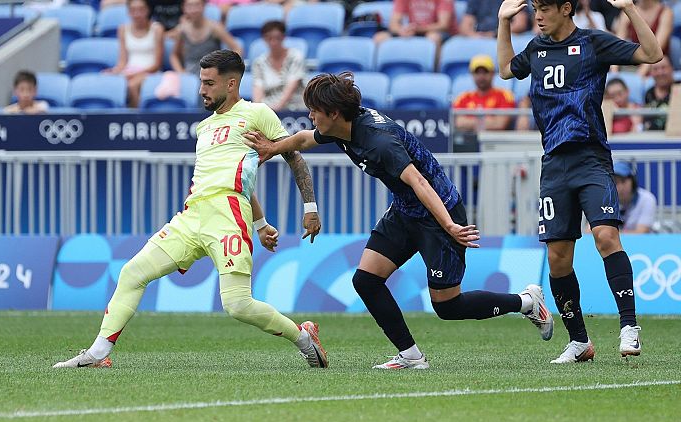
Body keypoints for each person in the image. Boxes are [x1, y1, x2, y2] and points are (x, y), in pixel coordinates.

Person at [244, 72, 554, 370]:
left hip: (438, 214)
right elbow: (302, 139)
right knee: (365, 279)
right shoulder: (339, 126)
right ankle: (411, 356)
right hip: (406, 211)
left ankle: (526, 302)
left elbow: (420, 182)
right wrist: (272, 148)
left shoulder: (380, 143)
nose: (311, 116)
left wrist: (449, 227)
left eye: (314, 111)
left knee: (447, 306)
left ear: (335, 112)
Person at [53, 50, 327, 369]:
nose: (202, 90)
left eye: (209, 83)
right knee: (132, 272)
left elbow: (293, 156)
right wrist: (262, 223)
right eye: (201, 82)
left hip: (228, 215)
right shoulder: (204, 128)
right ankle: (98, 354)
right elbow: (235, 174)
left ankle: (304, 336)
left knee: (237, 305)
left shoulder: (258, 113)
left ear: (232, 83)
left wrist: (310, 207)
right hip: (191, 215)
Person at [497, 0, 662, 362]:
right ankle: (579, 341)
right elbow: (506, 70)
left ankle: (629, 326)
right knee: (558, 258)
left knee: (605, 235)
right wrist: (503, 21)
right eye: (535, 8)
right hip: (554, 164)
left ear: (566, 8)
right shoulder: (536, 49)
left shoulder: (592, 43)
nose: (537, 16)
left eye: (545, 8)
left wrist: (630, 9)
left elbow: (652, 53)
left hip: (590, 158)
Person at [105, 0, 165, 108]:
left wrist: (135, 74)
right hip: (129, 72)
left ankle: (136, 119)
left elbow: (157, 65)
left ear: (148, 10)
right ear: (128, 12)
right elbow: (122, 61)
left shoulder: (157, 29)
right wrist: (114, 71)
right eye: (133, 10)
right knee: (107, 81)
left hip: (150, 72)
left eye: (141, 10)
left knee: (132, 85)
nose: (137, 14)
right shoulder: (122, 29)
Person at [170, 0, 242, 74]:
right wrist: (181, 72)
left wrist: (227, 68)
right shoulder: (182, 30)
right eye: (189, 6)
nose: (193, 10)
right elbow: (174, 55)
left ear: (204, 6)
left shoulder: (215, 28)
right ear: (183, 8)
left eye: (197, 5)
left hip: (212, 74)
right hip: (190, 74)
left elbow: (237, 48)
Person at [376, 0, 457, 66]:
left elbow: (443, 25)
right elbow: (393, 24)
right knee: (380, 37)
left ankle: (434, 72)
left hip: (434, 32)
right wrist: (402, 30)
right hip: (413, 30)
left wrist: (418, 29)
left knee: (434, 37)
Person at [251, 21, 307, 112]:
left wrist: (278, 109)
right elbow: (258, 89)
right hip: (268, 110)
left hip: (296, 109)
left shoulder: (295, 56)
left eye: (277, 38)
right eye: (269, 38)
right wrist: (257, 111)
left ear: (283, 37)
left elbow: (292, 84)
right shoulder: (259, 63)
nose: (273, 42)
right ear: (264, 39)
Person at [452, 54, 516, 131]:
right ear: (472, 75)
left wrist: (470, 122)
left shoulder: (505, 96)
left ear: (492, 73)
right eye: (477, 72)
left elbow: (500, 124)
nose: (481, 76)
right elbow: (459, 123)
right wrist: (489, 121)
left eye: (485, 72)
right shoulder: (462, 98)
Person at [614, 0, 672, 76]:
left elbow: (656, 50)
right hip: (636, 64)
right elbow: (617, 45)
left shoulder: (666, 12)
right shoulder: (627, 10)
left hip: (658, 66)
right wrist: (614, 71)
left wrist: (639, 76)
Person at [613, 161, 657, 233]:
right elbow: (590, 231)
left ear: (633, 182)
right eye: (615, 182)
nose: (620, 187)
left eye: (623, 181)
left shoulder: (647, 199)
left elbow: (641, 232)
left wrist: (609, 235)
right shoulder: (605, 200)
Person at [460, 0, 528, 37]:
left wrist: (495, 34)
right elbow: (465, 26)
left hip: (506, 36)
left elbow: (520, 24)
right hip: (479, 37)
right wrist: (475, 36)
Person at [644, 56, 676, 131]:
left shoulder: (679, 88)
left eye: (663, 68)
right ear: (651, 73)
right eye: (655, 69)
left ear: (672, 69)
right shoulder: (649, 93)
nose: (660, 73)